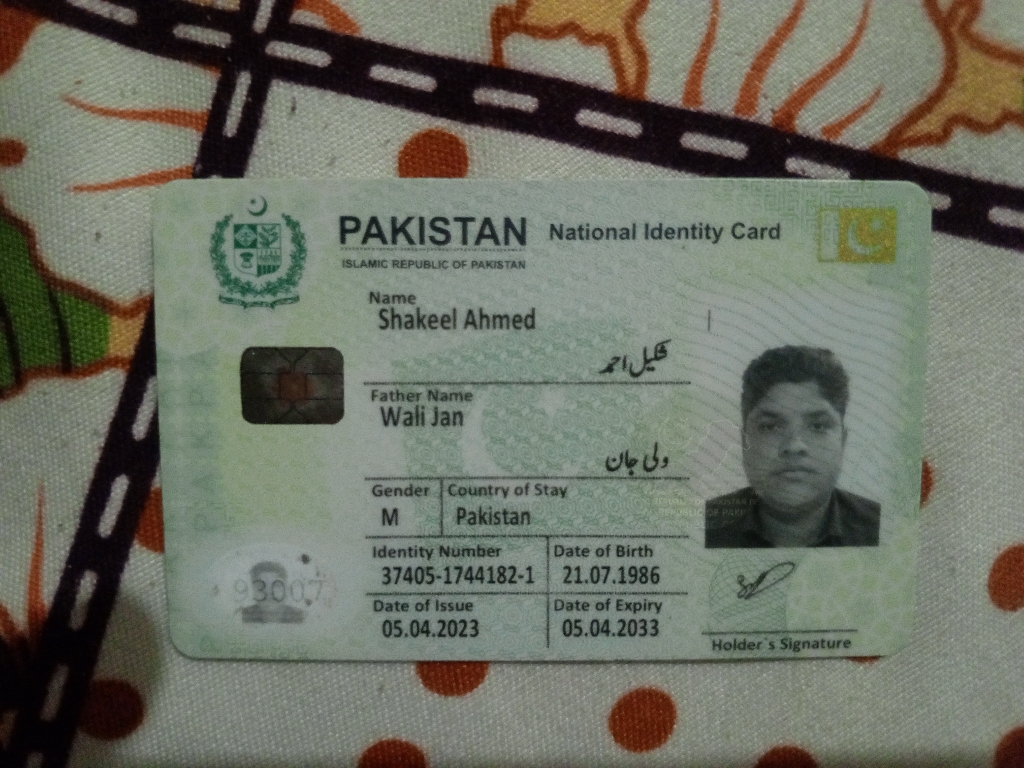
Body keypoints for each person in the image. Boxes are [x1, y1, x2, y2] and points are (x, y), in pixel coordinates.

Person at [705, 346, 880, 548]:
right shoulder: (702, 526)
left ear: (843, 441)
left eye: (817, 426)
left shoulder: (881, 528)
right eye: (771, 427)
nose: (794, 446)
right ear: (745, 442)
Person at [240, 561, 305, 623]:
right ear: (253, 589)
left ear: (286, 589)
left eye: (276, 585)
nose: (269, 592)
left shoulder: (299, 616)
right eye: (260, 586)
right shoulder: (242, 615)